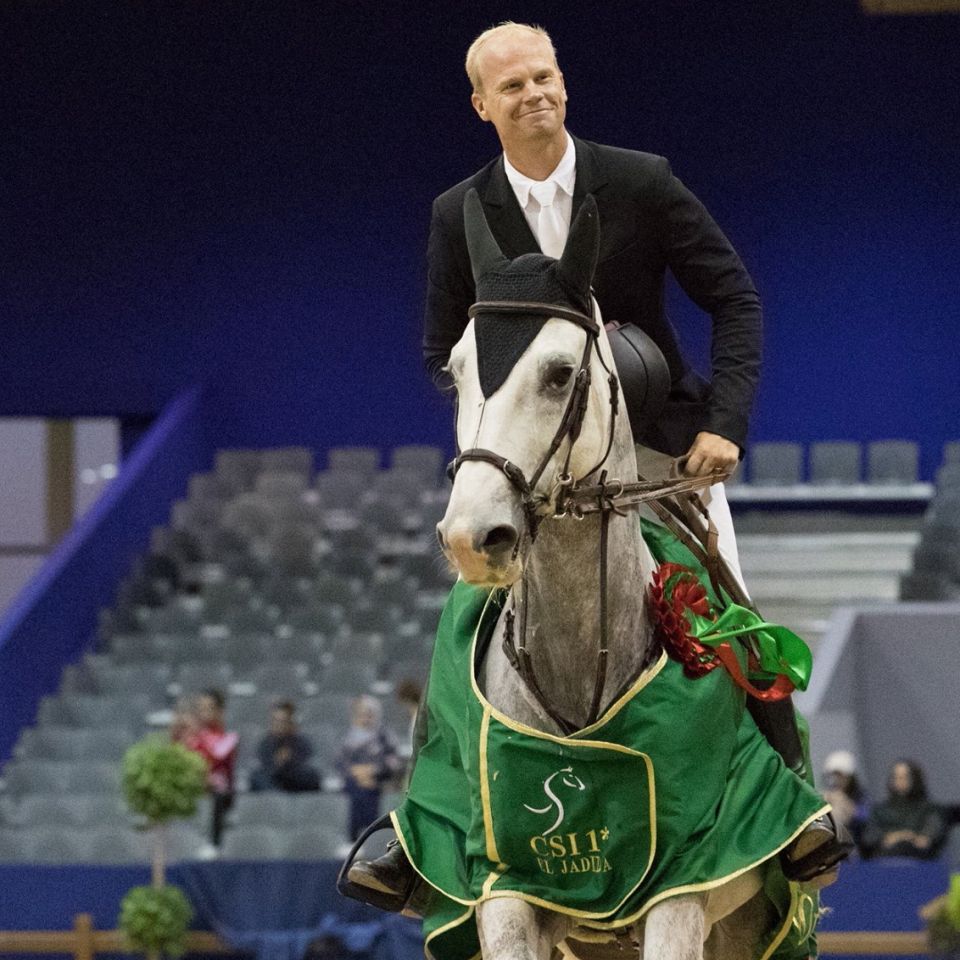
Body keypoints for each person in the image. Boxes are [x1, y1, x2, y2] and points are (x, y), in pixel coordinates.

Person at [347, 21, 849, 902]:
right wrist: (506, 435)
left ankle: (790, 805)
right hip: (531, 468)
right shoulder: (458, 214)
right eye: (513, 86)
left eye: (546, 76)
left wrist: (723, 424)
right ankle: (421, 825)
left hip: (656, 453)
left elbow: (734, 296)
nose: (535, 93)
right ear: (482, 106)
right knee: (463, 618)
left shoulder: (638, 182)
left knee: (730, 599)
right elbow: (442, 352)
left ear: (563, 83)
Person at [335, 696, 402, 841]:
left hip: (379, 783)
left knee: (368, 791)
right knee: (356, 791)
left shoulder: (384, 736)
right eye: (361, 714)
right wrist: (358, 773)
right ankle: (353, 839)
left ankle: (371, 838)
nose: (365, 718)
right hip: (354, 783)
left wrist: (372, 771)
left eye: (369, 714)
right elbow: (340, 763)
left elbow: (394, 763)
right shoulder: (348, 738)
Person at [179, 689, 239, 847]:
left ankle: (214, 845)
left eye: (209, 708)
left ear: (220, 711)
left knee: (216, 790)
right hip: (193, 785)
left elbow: (216, 760)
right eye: (201, 708)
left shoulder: (228, 738)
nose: (204, 713)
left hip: (218, 791)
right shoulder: (189, 738)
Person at [859, 759, 947, 859]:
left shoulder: (929, 809)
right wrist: (894, 837)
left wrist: (911, 837)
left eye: (904, 777)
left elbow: (929, 834)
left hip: (918, 859)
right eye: (896, 777)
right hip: (885, 859)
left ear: (915, 779)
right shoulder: (880, 810)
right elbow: (870, 837)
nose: (900, 781)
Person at [250, 701, 321, 793]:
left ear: (291, 723)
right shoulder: (265, 744)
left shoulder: (302, 743)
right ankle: (275, 800)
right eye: (275, 721)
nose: (278, 725)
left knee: (312, 775)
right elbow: (265, 766)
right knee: (257, 777)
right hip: (272, 780)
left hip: (296, 779)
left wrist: (289, 760)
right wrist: (278, 763)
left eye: (282, 721)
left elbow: (305, 764)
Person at [821, 750, 869, 846]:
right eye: (833, 776)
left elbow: (866, 817)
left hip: (858, 843)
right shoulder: (829, 795)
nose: (837, 780)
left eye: (840, 775)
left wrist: (849, 807)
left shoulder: (860, 796)